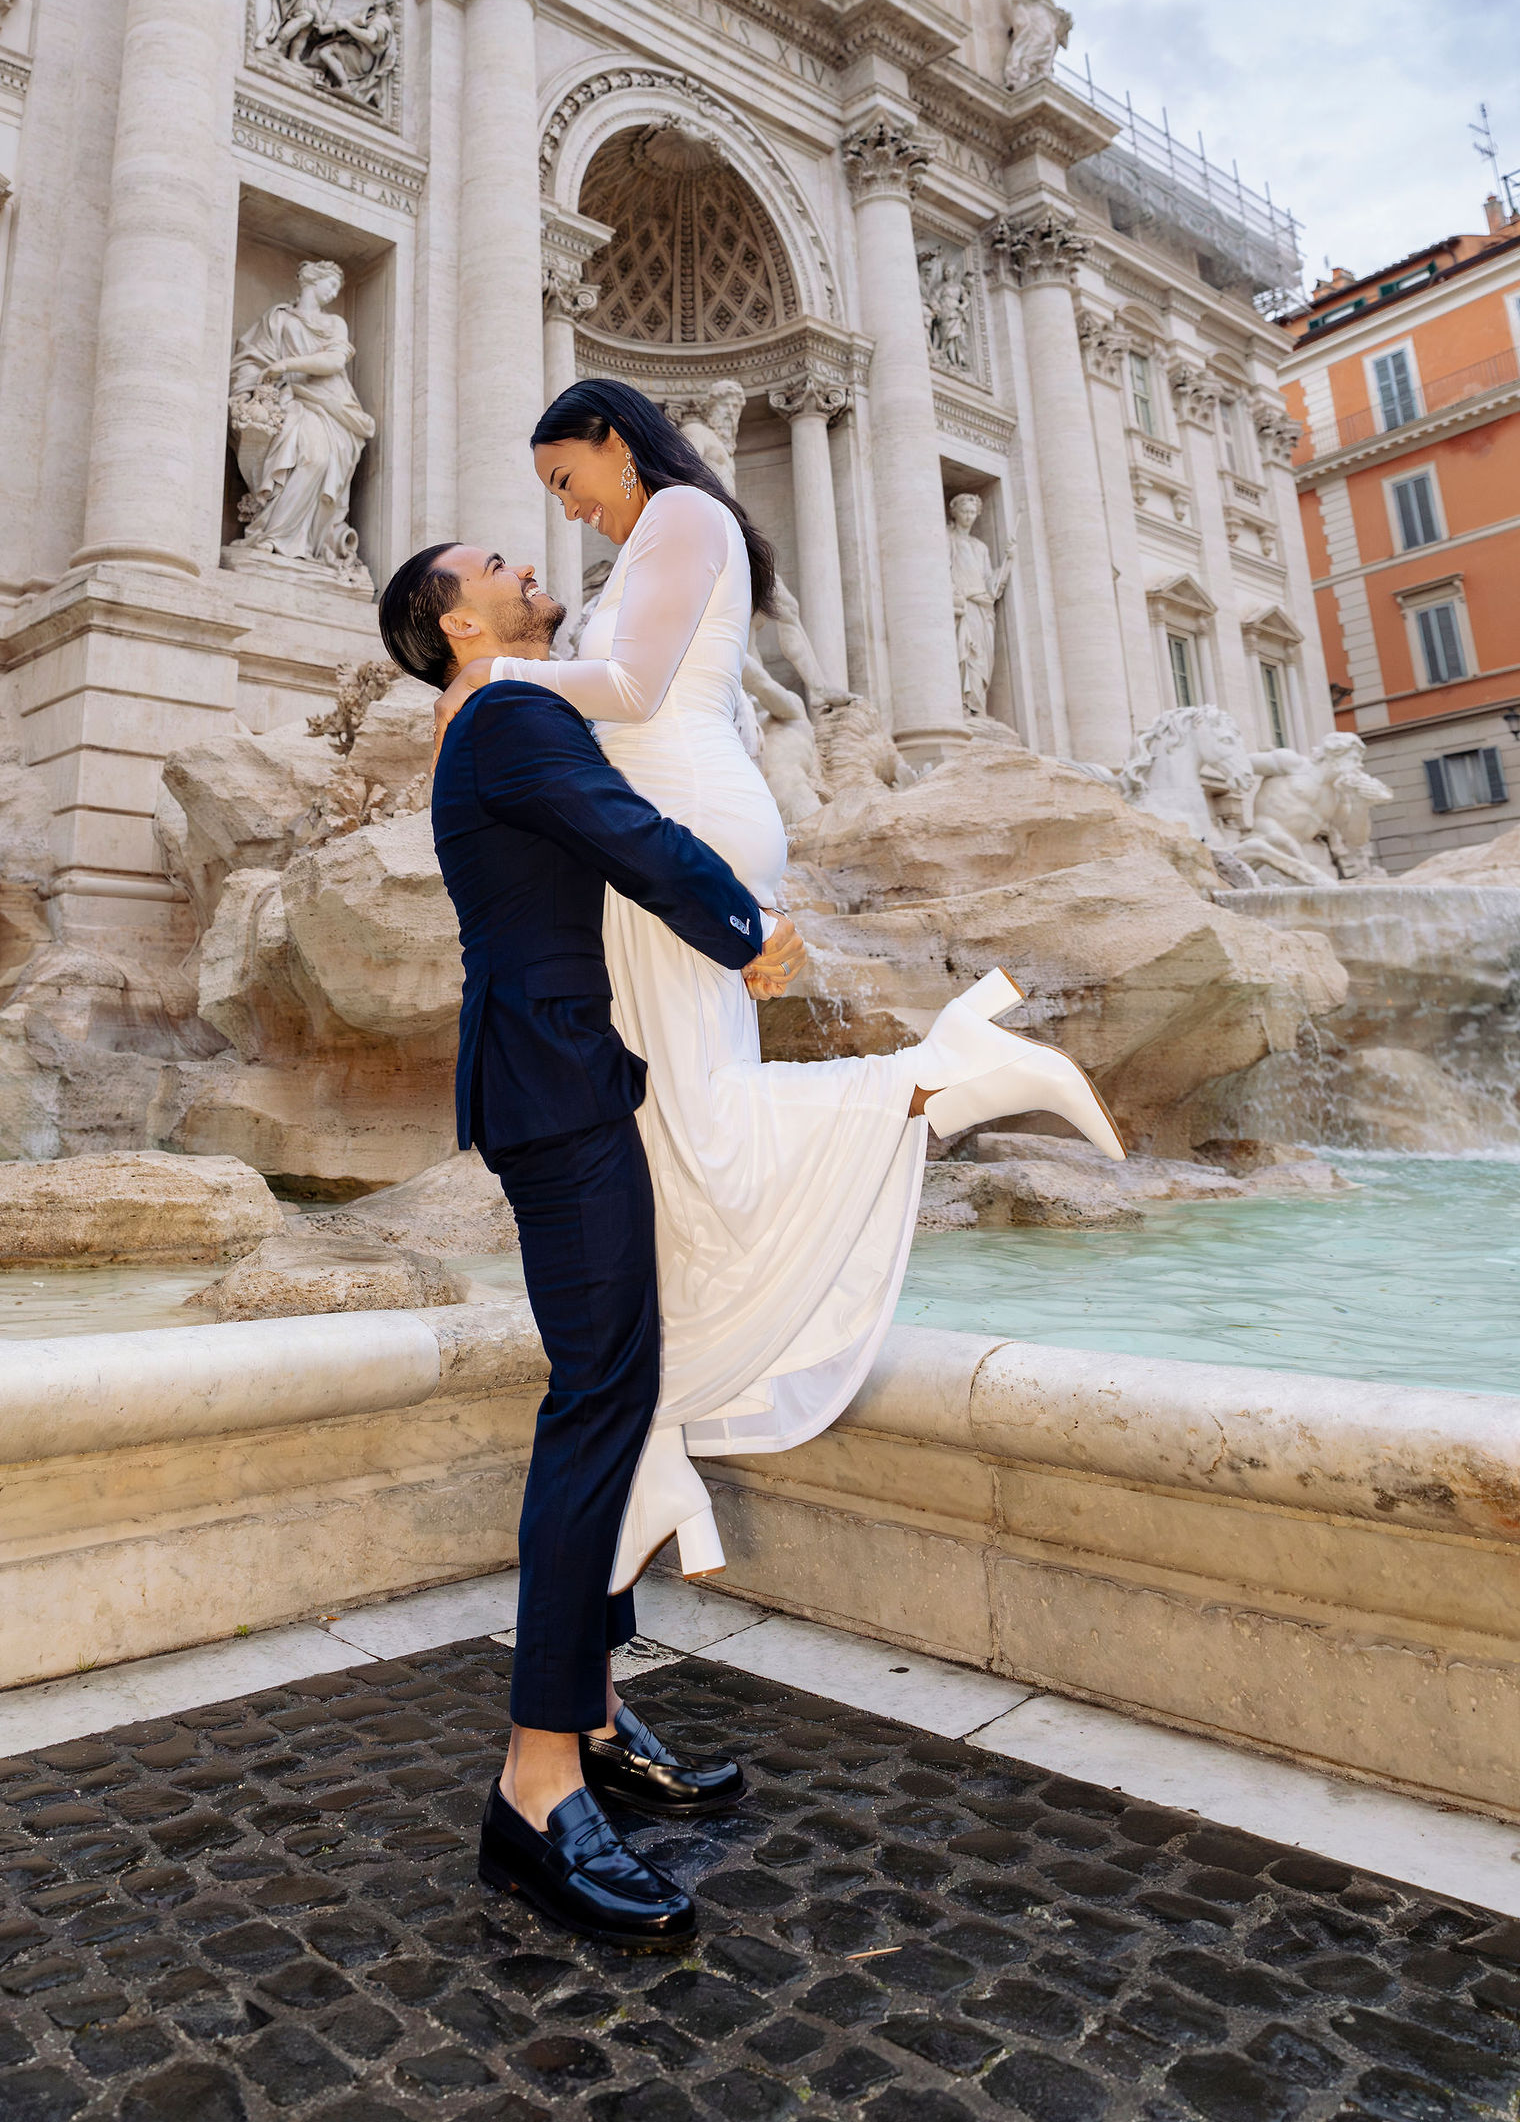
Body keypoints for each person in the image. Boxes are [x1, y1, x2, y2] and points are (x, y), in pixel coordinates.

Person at [429, 377, 1123, 1588]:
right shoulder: (655, 538)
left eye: (564, 478)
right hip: (681, 819)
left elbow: (636, 695)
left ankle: (941, 1077)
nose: (564, 508)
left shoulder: (683, 517)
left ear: (612, 439)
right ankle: (653, 1468)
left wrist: (492, 681)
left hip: (683, 822)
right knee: (668, 1137)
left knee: (697, 1129)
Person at [380, 535, 802, 1947]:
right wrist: (744, 927)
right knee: (598, 1403)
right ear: (454, 620)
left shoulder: (496, 714)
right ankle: (536, 1779)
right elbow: (625, 841)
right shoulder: (505, 710)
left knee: (612, 1392)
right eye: (494, 562)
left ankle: (598, 1715)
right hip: (555, 1082)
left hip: (560, 1071)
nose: (524, 561)